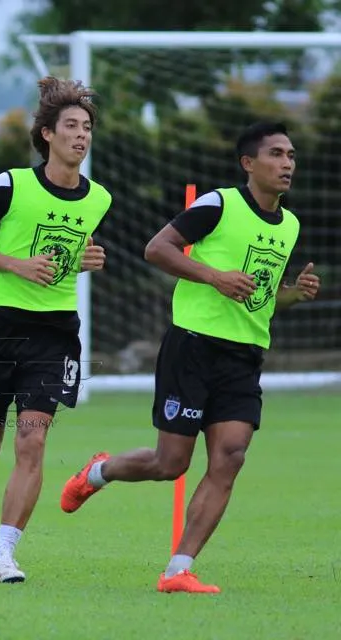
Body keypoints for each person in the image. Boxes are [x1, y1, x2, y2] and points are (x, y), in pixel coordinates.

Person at [59, 122, 319, 594]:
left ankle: (177, 570)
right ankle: (98, 471)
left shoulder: (291, 224)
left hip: (244, 358)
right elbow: (156, 249)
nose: (287, 164)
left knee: (231, 456)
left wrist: (293, 296)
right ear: (248, 163)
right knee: (171, 463)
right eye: (277, 154)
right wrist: (213, 276)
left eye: (291, 156)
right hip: (194, 346)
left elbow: (259, 296)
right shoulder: (219, 204)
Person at [0, 77, 112, 583]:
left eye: (87, 127)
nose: (82, 135)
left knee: (32, 443)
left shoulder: (98, 198)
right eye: (71, 126)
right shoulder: (10, 185)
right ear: (47, 134)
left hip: (53, 333)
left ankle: (2, 555)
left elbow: (71, 249)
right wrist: (16, 265)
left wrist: (87, 259)